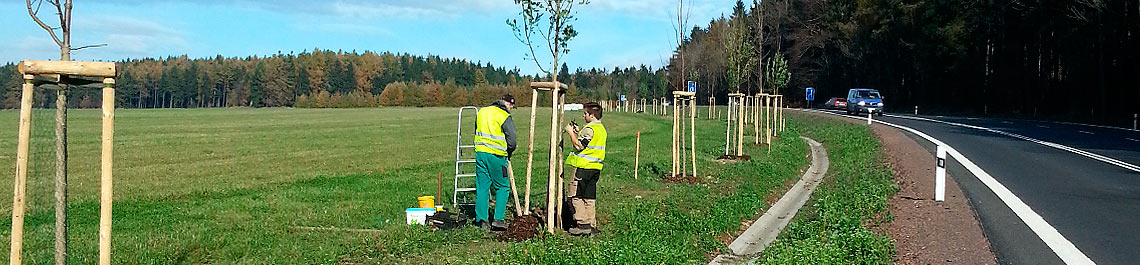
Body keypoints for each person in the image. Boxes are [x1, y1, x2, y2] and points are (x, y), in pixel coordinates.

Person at [473, 94, 517, 231]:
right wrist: (509, 152)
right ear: (506, 103)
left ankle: (481, 220)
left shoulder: (482, 112)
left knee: (482, 188)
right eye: (510, 106)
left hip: (480, 153)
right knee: (502, 187)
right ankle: (498, 219)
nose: (510, 109)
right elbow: (512, 140)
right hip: (497, 156)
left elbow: (476, 129)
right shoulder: (504, 116)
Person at [563, 102, 606, 236]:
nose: (583, 116)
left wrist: (570, 133)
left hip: (583, 168)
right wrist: (577, 132)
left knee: (574, 197)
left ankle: (582, 224)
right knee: (589, 197)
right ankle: (591, 225)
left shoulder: (590, 129)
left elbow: (579, 146)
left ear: (592, 115)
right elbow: (589, 142)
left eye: (585, 114)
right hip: (595, 168)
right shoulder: (601, 129)